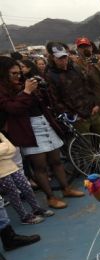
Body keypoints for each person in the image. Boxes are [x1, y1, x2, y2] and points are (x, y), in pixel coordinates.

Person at [0, 56, 84, 209]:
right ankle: (50, 197)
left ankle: (66, 188)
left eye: (19, 73)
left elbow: (45, 102)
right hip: (27, 129)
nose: (18, 76)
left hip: (43, 121)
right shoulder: (3, 90)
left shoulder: (23, 84)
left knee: (56, 160)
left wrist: (42, 89)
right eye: (14, 73)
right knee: (40, 166)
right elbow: (12, 109)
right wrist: (26, 92)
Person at [0, 133, 54, 224]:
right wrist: (5, 149)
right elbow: (7, 149)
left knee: (27, 188)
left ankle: (36, 209)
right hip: (2, 173)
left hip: (12, 167)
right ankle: (24, 217)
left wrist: (3, 153)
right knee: (13, 194)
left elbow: (12, 150)